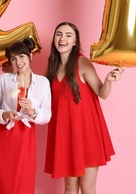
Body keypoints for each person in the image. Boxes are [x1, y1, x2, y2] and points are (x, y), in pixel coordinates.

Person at [44, 22, 124, 194]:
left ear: (75, 42)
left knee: (87, 188)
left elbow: (101, 93)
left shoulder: (82, 63)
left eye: (68, 35)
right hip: (66, 136)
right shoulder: (52, 66)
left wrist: (109, 80)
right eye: (59, 34)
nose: (62, 38)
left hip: (87, 134)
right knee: (69, 188)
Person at [0, 37, 52, 194]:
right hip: (2, 135)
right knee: (1, 182)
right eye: (13, 58)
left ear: (30, 56)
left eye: (21, 56)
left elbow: (47, 115)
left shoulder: (42, 83)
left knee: (24, 183)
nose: (18, 62)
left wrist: (33, 112)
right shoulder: (3, 80)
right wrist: (6, 114)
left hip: (26, 137)